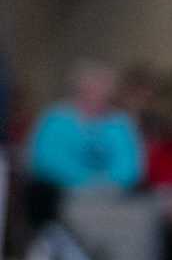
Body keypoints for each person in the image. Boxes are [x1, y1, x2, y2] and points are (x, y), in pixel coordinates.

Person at [24, 63, 144, 228]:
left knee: (139, 217)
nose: (97, 95)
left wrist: (105, 184)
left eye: (103, 90)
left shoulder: (120, 124)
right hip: (64, 194)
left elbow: (130, 167)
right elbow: (44, 161)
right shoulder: (55, 120)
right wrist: (85, 182)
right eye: (91, 89)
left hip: (114, 195)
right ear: (78, 91)